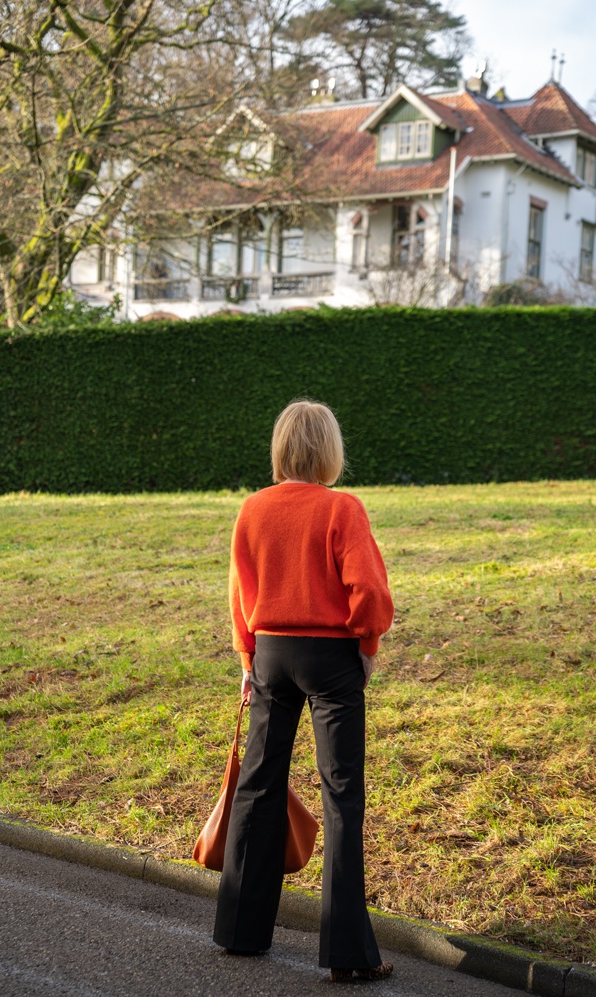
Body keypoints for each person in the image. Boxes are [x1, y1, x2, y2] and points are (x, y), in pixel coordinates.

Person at [213, 399, 395, 983]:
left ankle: (240, 932)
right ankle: (348, 954)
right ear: (330, 451)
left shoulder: (253, 509)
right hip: (331, 657)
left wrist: (247, 658)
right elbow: (367, 589)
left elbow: (242, 592)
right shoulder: (342, 508)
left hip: (269, 651)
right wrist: (367, 650)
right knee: (342, 795)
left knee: (258, 784)